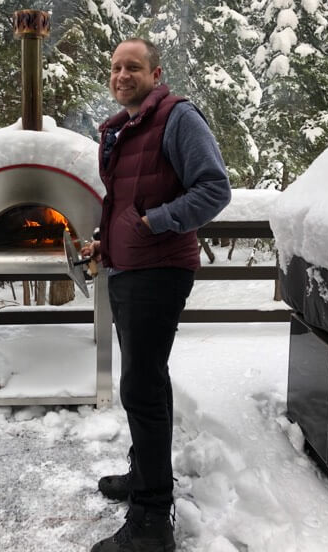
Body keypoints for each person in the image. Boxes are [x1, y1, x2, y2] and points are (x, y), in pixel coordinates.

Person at [83, 38, 231, 552]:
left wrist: (152, 225)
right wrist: (108, 242)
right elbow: (129, 200)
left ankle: (150, 520)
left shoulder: (177, 118)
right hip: (129, 269)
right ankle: (146, 473)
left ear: (155, 72)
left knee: (141, 390)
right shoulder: (126, 127)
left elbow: (214, 189)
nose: (122, 74)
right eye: (115, 66)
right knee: (148, 384)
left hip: (159, 271)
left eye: (133, 67)